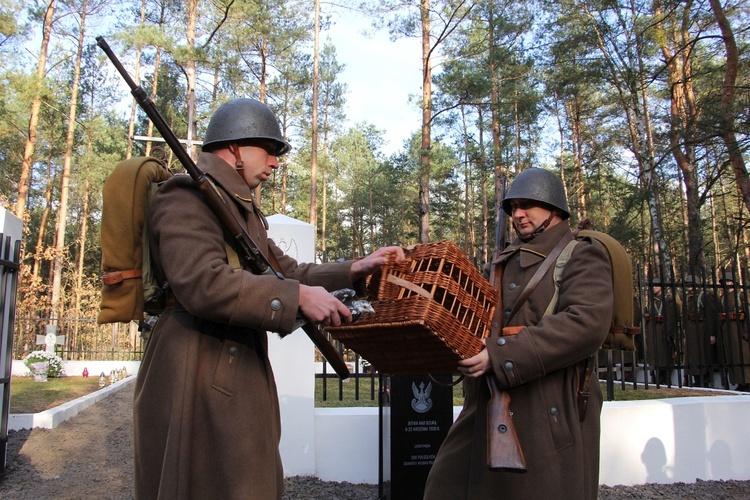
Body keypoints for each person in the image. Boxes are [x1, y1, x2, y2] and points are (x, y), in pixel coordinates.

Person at [132, 98, 405, 499]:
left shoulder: (237, 206)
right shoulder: (186, 195)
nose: (276, 162)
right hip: (194, 366)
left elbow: (287, 272)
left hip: (229, 362)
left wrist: (354, 269)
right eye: (270, 150)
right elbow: (200, 282)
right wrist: (295, 298)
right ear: (234, 147)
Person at [424, 168, 613, 500]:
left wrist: (499, 354)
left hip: (550, 407)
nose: (518, 214)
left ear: (555, 209)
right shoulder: (501, 261)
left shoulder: (582, 254)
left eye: (528, 205)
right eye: (512, 207)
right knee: (447, 486)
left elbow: (586, 323)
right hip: (487, 403)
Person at [683, 274, 718, 387]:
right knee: (693, 355)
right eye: (687, 284)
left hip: (702, 329)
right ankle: (696, 378)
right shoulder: (689, 297)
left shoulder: (704, 296)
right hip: (691, 329)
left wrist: (712, 333)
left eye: (690, 284)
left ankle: (705, 379)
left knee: (702, 355)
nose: (689, 287)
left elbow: (711, 315)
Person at [718, 272, 750, 391]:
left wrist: (746, 332)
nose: (726, 284)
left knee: (743, 356)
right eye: (724, 282)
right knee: (732, 356)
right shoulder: (723, 298)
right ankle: (739, 382)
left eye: (728, 282)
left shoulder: (741, 295)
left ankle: (747, 382)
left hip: (740, 330)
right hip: (728, 331)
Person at [644, 278, 679, 385]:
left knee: (663, 356)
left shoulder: (668, 300)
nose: (654, 288)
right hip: (652, 331)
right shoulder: (652, 301)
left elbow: (670, 318)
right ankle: (657, 376)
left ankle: (664, 378)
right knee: (654, 356)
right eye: (653, 286)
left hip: (661, 331)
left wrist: (667, 333)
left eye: (656, 286)